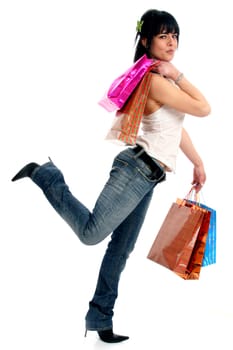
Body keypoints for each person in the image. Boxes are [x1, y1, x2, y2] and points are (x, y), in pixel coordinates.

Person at [11, 9, 211, 343]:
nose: (171, 42)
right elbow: (204, 108)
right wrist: (179, 74)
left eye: (174, 35)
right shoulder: (157, 81)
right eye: (163, 36)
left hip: (148, 176)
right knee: (91, 235)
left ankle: (101, 319)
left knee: (121, 249)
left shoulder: (156, 78)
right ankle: (46, 175)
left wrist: (198, 162)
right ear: (146, 41)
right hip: (135, 170)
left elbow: (175, 128)